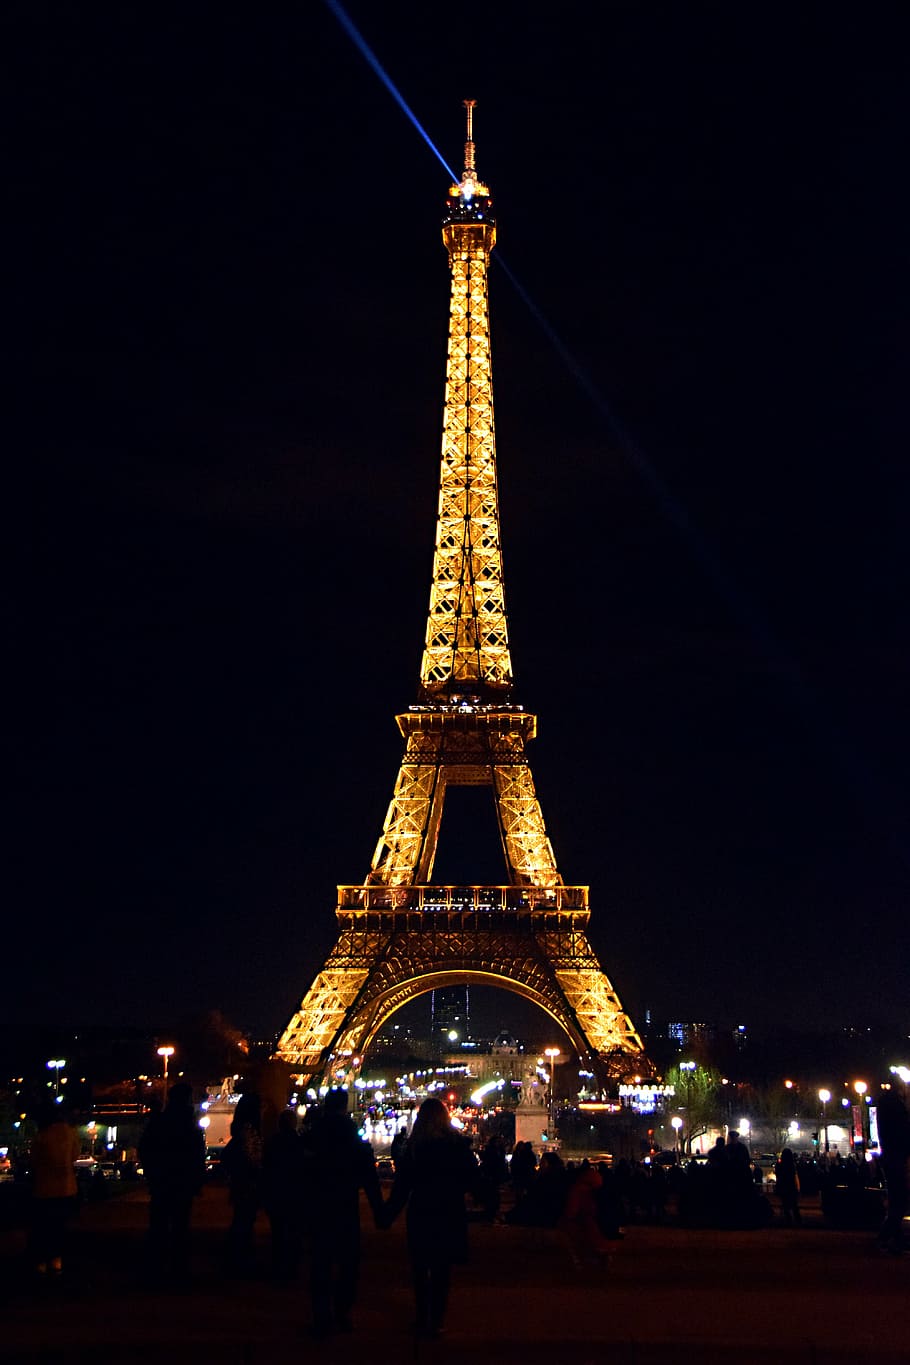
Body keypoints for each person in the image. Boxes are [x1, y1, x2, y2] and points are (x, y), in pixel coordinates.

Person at [382, 1096, 482, 1339]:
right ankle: (437, 1320)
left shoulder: (415, 1149)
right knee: (442, 1269)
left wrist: (386, 1215)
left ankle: (421, 1317)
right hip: (449, 1210)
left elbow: (402, 1187)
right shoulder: (458, 1147)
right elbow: (473, 1179)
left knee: (420, 1267)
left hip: (422, 1211)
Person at [303, 1088, 383, 1338]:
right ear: (344, 1106)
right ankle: (343, 1312)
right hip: (345, 1206)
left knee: (320, 1264)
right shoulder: (351, 1136)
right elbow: (369, 1177)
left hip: (318, 1206)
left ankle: (321, 1315)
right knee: (348, 1264)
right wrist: (379, 1210)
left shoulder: (312, 1136)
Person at [138, 1083, 206, 1284]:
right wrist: (196, 1180)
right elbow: (196, 1154)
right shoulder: (188, 1124)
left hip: (162, 1182)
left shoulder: (160, 1122)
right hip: (181, 1183)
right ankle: (178, 1270)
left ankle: (155, 1269)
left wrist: (153, 1173)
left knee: (158, 1226)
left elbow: (145, 1148)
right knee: (180, 1229)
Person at [29, 1101, 80, 1276]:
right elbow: (75, 1155)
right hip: (66, 1187)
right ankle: (56, 1259)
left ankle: (42, 1259)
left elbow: (34, 1159)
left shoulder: (42, 1135)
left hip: (44, 1187)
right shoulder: (71, 1133)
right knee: (59, 1225)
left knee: (43, 1225)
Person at [262, 1109, 309, 1281]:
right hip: (294, 1193)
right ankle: (291, 1268)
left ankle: (278, 1267)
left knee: (278, 1233)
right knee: (293, 1232)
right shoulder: (298, 1143)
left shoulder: (272, 1142)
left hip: (276, 1192)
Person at [224, 1091, 263, 1276]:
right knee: (245, 1220)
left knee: (242, 1219)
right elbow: (253, 1157)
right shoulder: (250, 1131)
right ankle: (240, 1259)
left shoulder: (239, 1130)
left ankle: (236, 1257)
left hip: (240, 1181)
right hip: (248, 1181)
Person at [875, 1089, 910, 1255]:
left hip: (891, 1157)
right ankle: (887, 1237)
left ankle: (894, 1237)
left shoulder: (886, 1106)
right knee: (900, 1201)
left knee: (897, 1201)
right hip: (896, 1157)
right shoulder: (896, 1107)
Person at [775, 1148, 801, 1226]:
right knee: (794, 1205)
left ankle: (788, 1220)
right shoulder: (792, 1165)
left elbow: (777, 1176)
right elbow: (795, 1176)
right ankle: (797, 1220)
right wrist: (798, 1187)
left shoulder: (779, 1164)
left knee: (785, 1204)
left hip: (783, 1186)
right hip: (791, 1186)